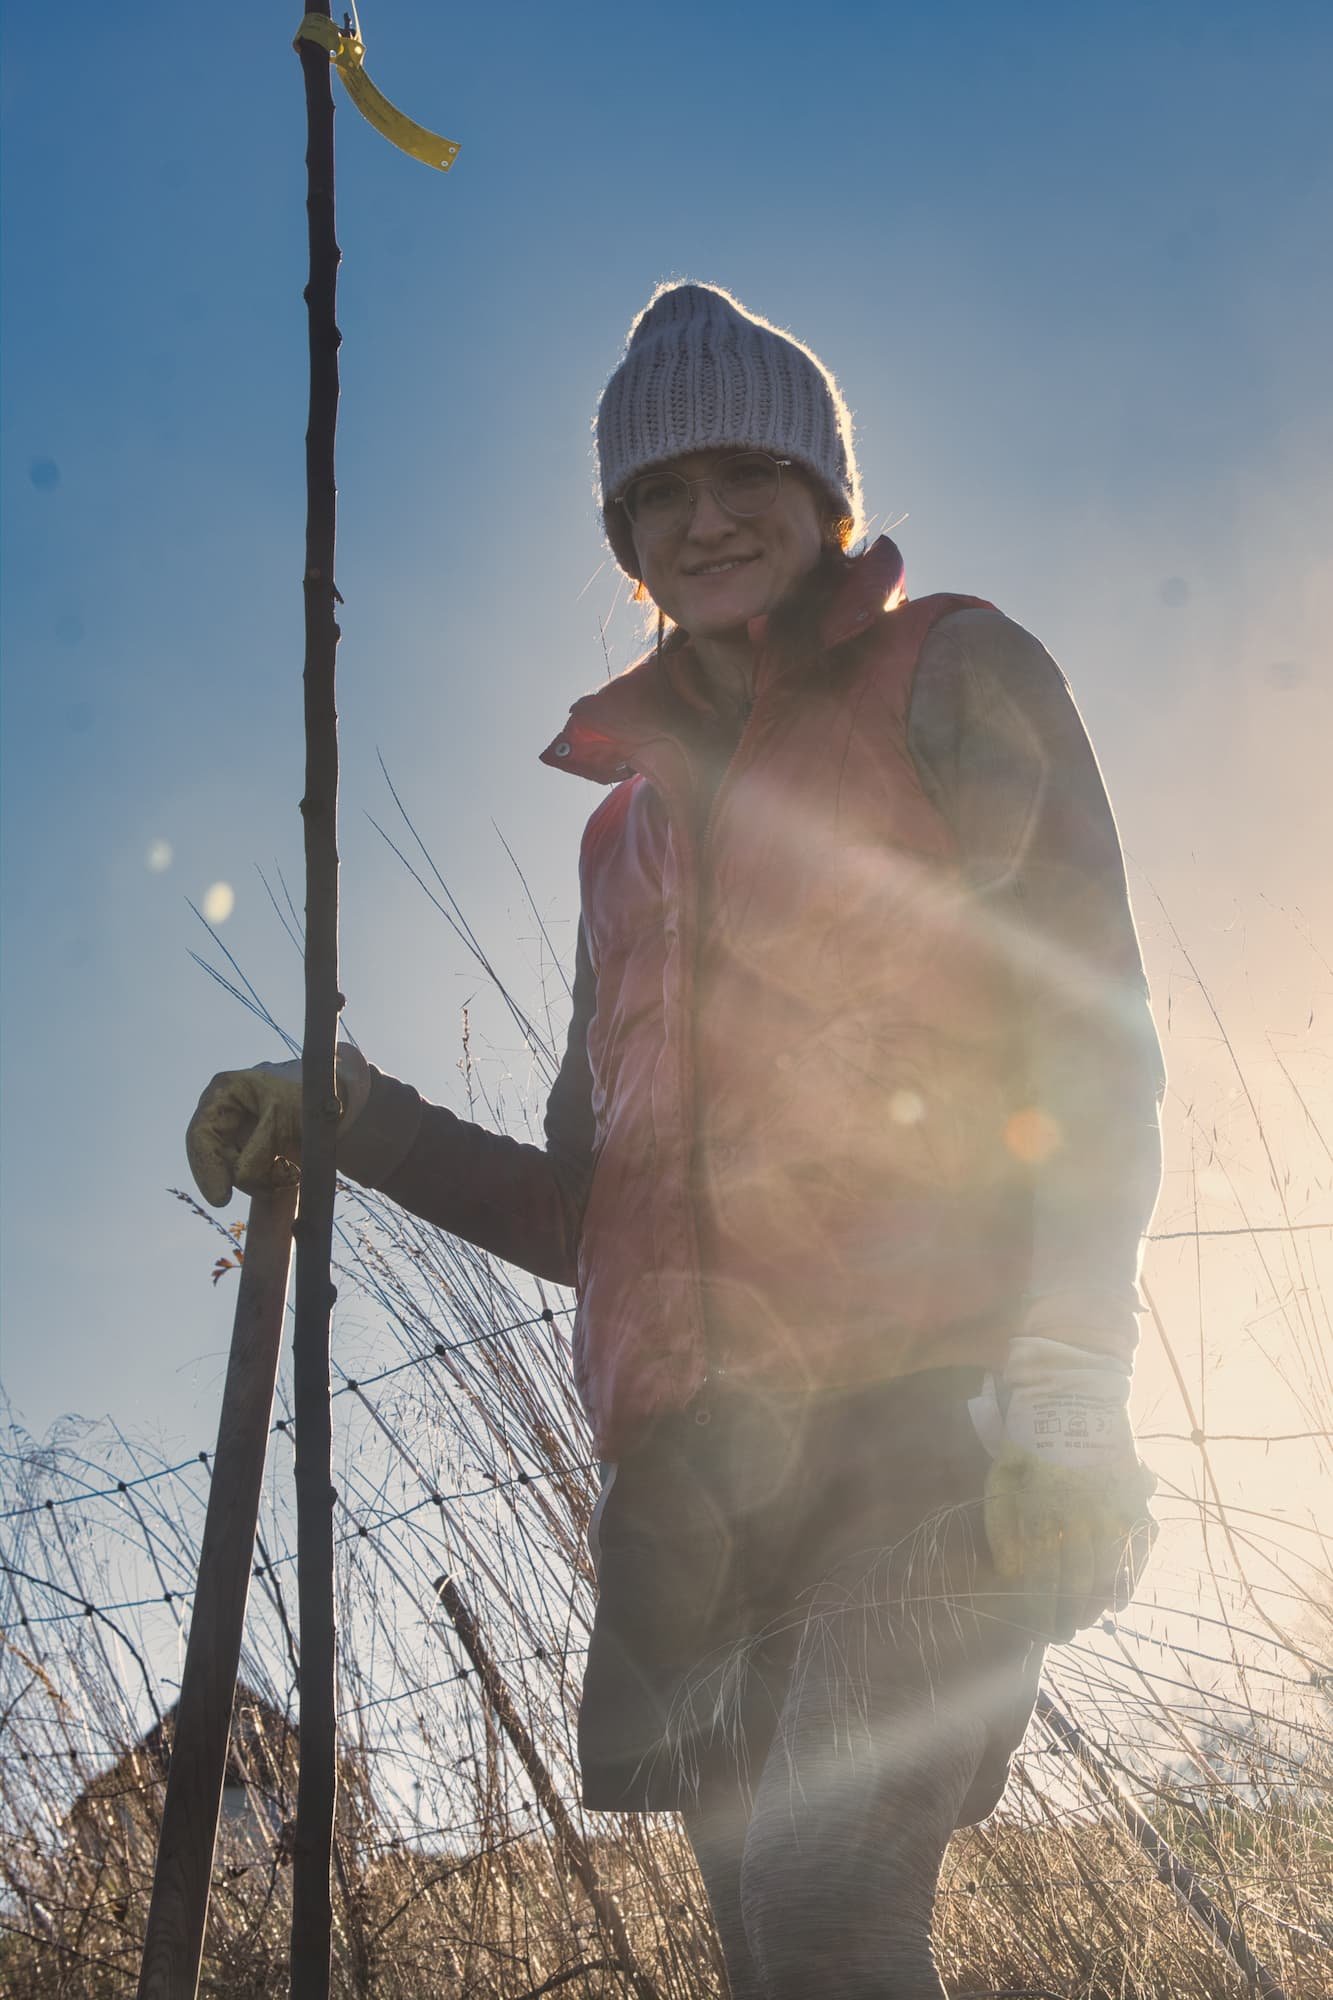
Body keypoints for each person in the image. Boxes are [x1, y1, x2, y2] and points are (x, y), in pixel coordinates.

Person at [188, 282, 1164, 1999]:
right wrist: (358, 1121)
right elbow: (596, 1209)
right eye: (658, 492)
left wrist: (1069, 1377)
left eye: (747, 473)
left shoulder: (955, 672)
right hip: (693, 1490)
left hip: (927, 1427)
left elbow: (1087, 1040)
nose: (705, 516)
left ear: (823, 495)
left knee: (825, 1888)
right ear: (623, 533)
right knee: (762, 1950)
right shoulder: (618, 837)